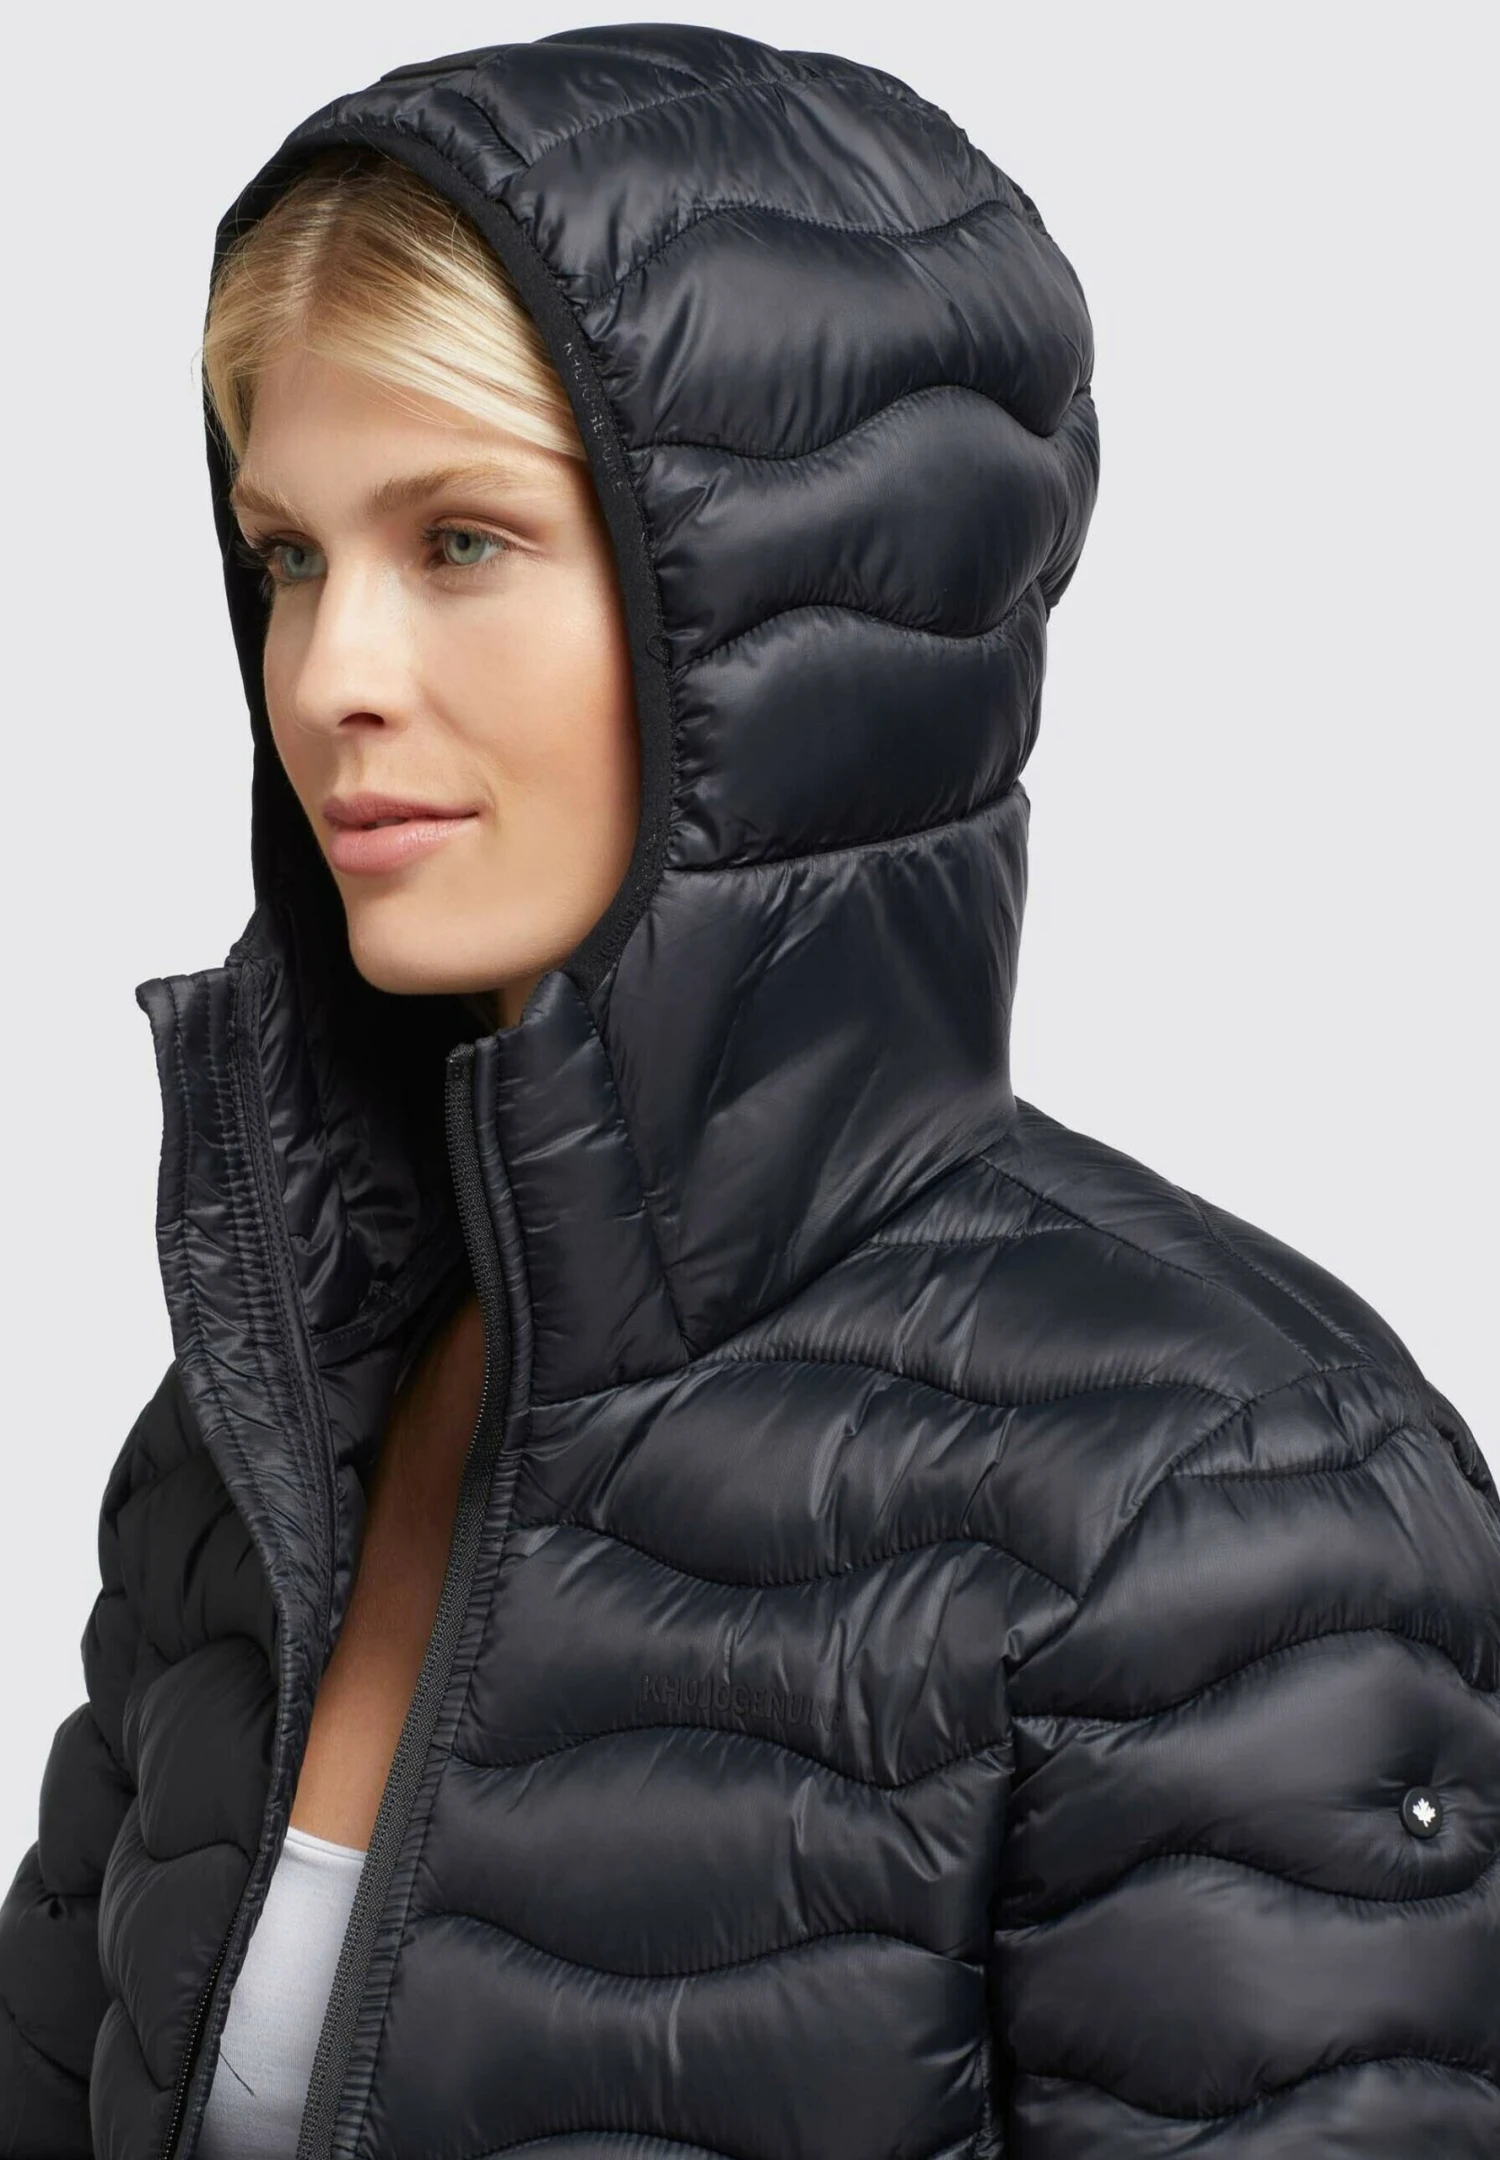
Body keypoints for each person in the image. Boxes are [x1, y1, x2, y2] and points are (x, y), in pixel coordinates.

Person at [2, 20, 1497, 2160]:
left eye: (463, 542)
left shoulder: (1223, 1504)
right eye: (290, 555)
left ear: (782, 621)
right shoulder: (261, 1418)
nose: (331, 677)